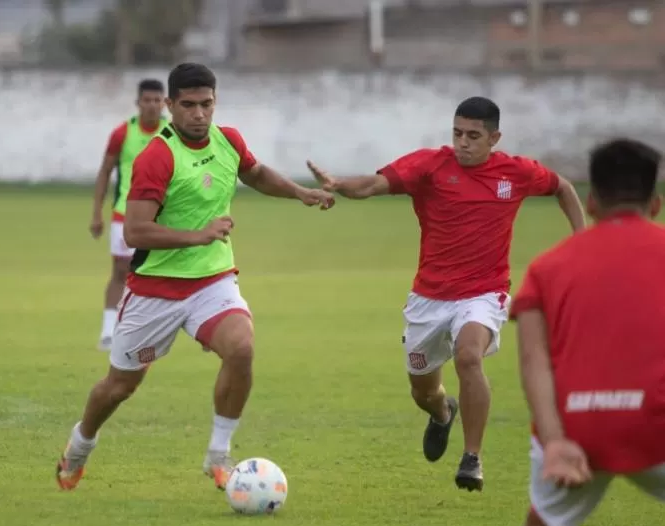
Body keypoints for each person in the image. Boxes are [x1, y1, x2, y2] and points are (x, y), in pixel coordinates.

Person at [57, 62, 335, 492]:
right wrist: (197, 235)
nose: (199, 114)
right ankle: (80, 445)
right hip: (155, 290)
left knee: (241, 348)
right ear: (169, 106)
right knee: (118, 388)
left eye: (206, 104)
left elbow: (255, 173)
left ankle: (219, 456)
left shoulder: (228, 140)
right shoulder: (157, 156)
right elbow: (134, 231)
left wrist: (299, 192)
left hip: (213, 280)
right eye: (188, 105)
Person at [306, 96, 586, 492]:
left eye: (473, 135)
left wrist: (582, 240)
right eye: (457, 133)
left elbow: (564, 187)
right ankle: (442, 412)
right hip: (429, 299)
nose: (463, 143)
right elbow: (373, 184)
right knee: (423, 389)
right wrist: (339, 185)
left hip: (484, 294)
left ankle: (472, 458)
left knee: (468, 356)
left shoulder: (517, 172)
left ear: (494, 138)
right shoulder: (430, 165)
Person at [493, 138, 665, 526]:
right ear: (655, 204)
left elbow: (533, 362)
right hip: (657, 420)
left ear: (590, 201)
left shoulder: (547, 268)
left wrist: (555, 441)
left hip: (575, 424)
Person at [90, 79, 171, 351]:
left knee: (164, 271)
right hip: (125, 215)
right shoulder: (123, 133)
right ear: (138, 103)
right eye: (146, 100)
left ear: (164, 103)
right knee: (120, 271)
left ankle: (158, 329)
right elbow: (105, 172)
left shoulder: (172, 133)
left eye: (156, 100)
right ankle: (108, 331)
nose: (151, 105)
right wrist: (96, 213)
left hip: (163, 217)